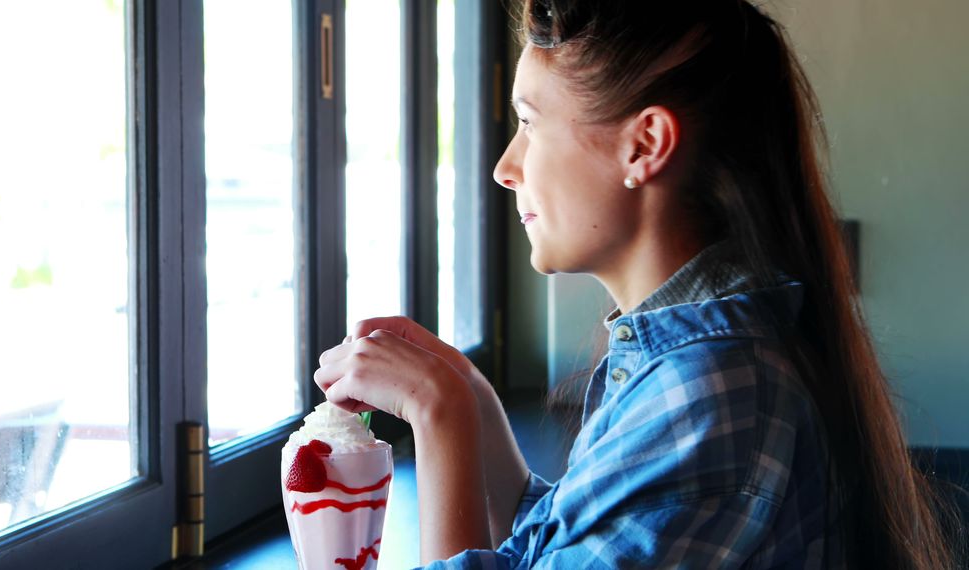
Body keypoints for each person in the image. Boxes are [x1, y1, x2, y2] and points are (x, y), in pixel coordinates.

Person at [314, 0, 963, 567]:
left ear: (645, 144)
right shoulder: (697, 368)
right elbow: (569, 549)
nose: (506, 168)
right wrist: (472, 397)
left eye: (530, 123)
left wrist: (440, 416)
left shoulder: (713, 396)